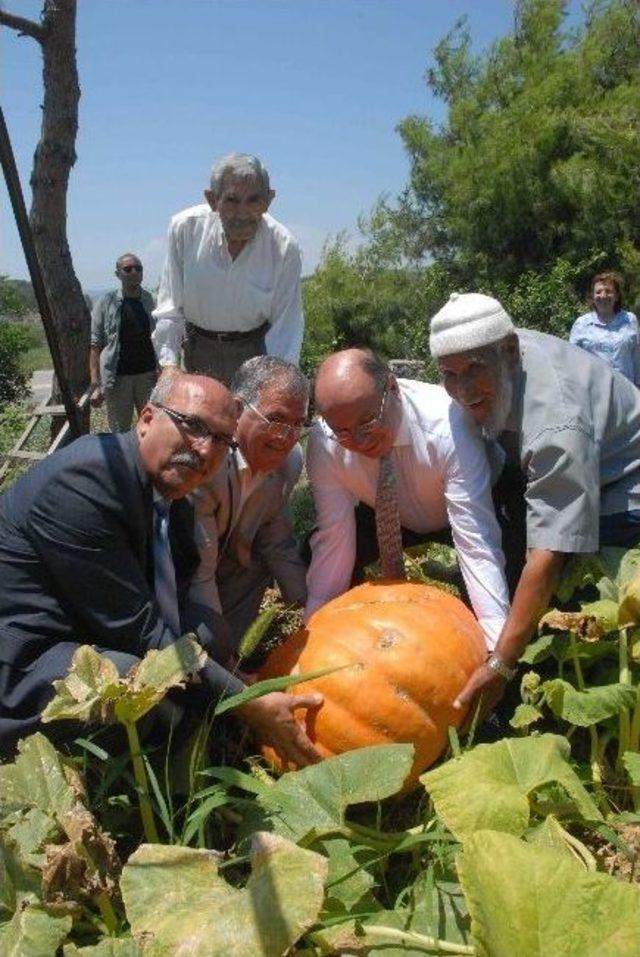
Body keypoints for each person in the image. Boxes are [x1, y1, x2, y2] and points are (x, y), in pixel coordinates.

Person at [0, 370, 321, 765]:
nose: (203, 450)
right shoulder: (84, 484)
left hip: (87, 630)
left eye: (221, 439)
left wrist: (229, 671)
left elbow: (182, 599)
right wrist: (244, 700)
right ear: (147, 418)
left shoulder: (171, 494)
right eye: (192, 426)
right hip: (25, 659)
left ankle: (183, 739)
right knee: (124, 680)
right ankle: (106, 775)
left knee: (209, 631)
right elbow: (143, 632)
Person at [429, 291, 640, 718]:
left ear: (509, 352)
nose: (463, 390)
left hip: (626, 485)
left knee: (578, 587)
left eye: (474, 370)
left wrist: (501, 663)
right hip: (567, 465)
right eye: (449, 374)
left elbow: (549, 550)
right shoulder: (498, 351)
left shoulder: (555, 422)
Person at [305, 348, 510, 651]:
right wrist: (314, 631)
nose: (360, 442)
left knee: (491, 602)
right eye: (344, 433)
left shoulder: (449, 425)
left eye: (368, 422)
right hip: (389, 517)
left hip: (482, 507)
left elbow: (476, 541)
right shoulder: (324, 442)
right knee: (316, 558)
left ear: (392, 387)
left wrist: (496, 648)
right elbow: (335, 539)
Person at [189, 356, 309, 654]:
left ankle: (232, 652)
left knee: (255, 566)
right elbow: (199, 571)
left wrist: (316, 609)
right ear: (238, 409)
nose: (287, 437)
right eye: (277, 420)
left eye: (298, 424)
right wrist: (222, 670)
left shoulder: (289, 462)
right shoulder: (208, 461)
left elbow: (277, 541)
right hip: (182, 571)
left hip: (229, 571)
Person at [152, 153, 304, 386]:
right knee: (199, 421)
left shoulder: (284, 247)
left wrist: (277, 383)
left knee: (250, 421)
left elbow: (287, 327)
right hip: (197, 349)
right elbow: (170, 307)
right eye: (232, 200)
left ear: (268, 200)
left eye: (253, 200)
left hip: (256, 351)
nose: (242, 213)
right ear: (213, 200)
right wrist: (169, 367)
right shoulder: (185, 229)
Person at [89, 253, 158, 431]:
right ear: (118, 274)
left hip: (148, 377)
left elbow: (161, 338)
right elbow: (95, 344)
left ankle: (145, 460)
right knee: (119, 433)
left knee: (152, 429)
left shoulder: (151, 301)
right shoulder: (105, 303)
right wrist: (96, 385)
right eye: (128, 269)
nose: (134, 272)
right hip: (118, 379)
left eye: (138, 268)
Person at [569, 271, 640, 385]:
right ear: (593, 297)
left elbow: (637, 357)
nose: (603, 296)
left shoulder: (630, 320)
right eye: (598, 292)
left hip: (627, 391)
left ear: (616, 296)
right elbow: (571, 360)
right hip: (594, 391)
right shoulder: (581, 324)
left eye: (608, 291)